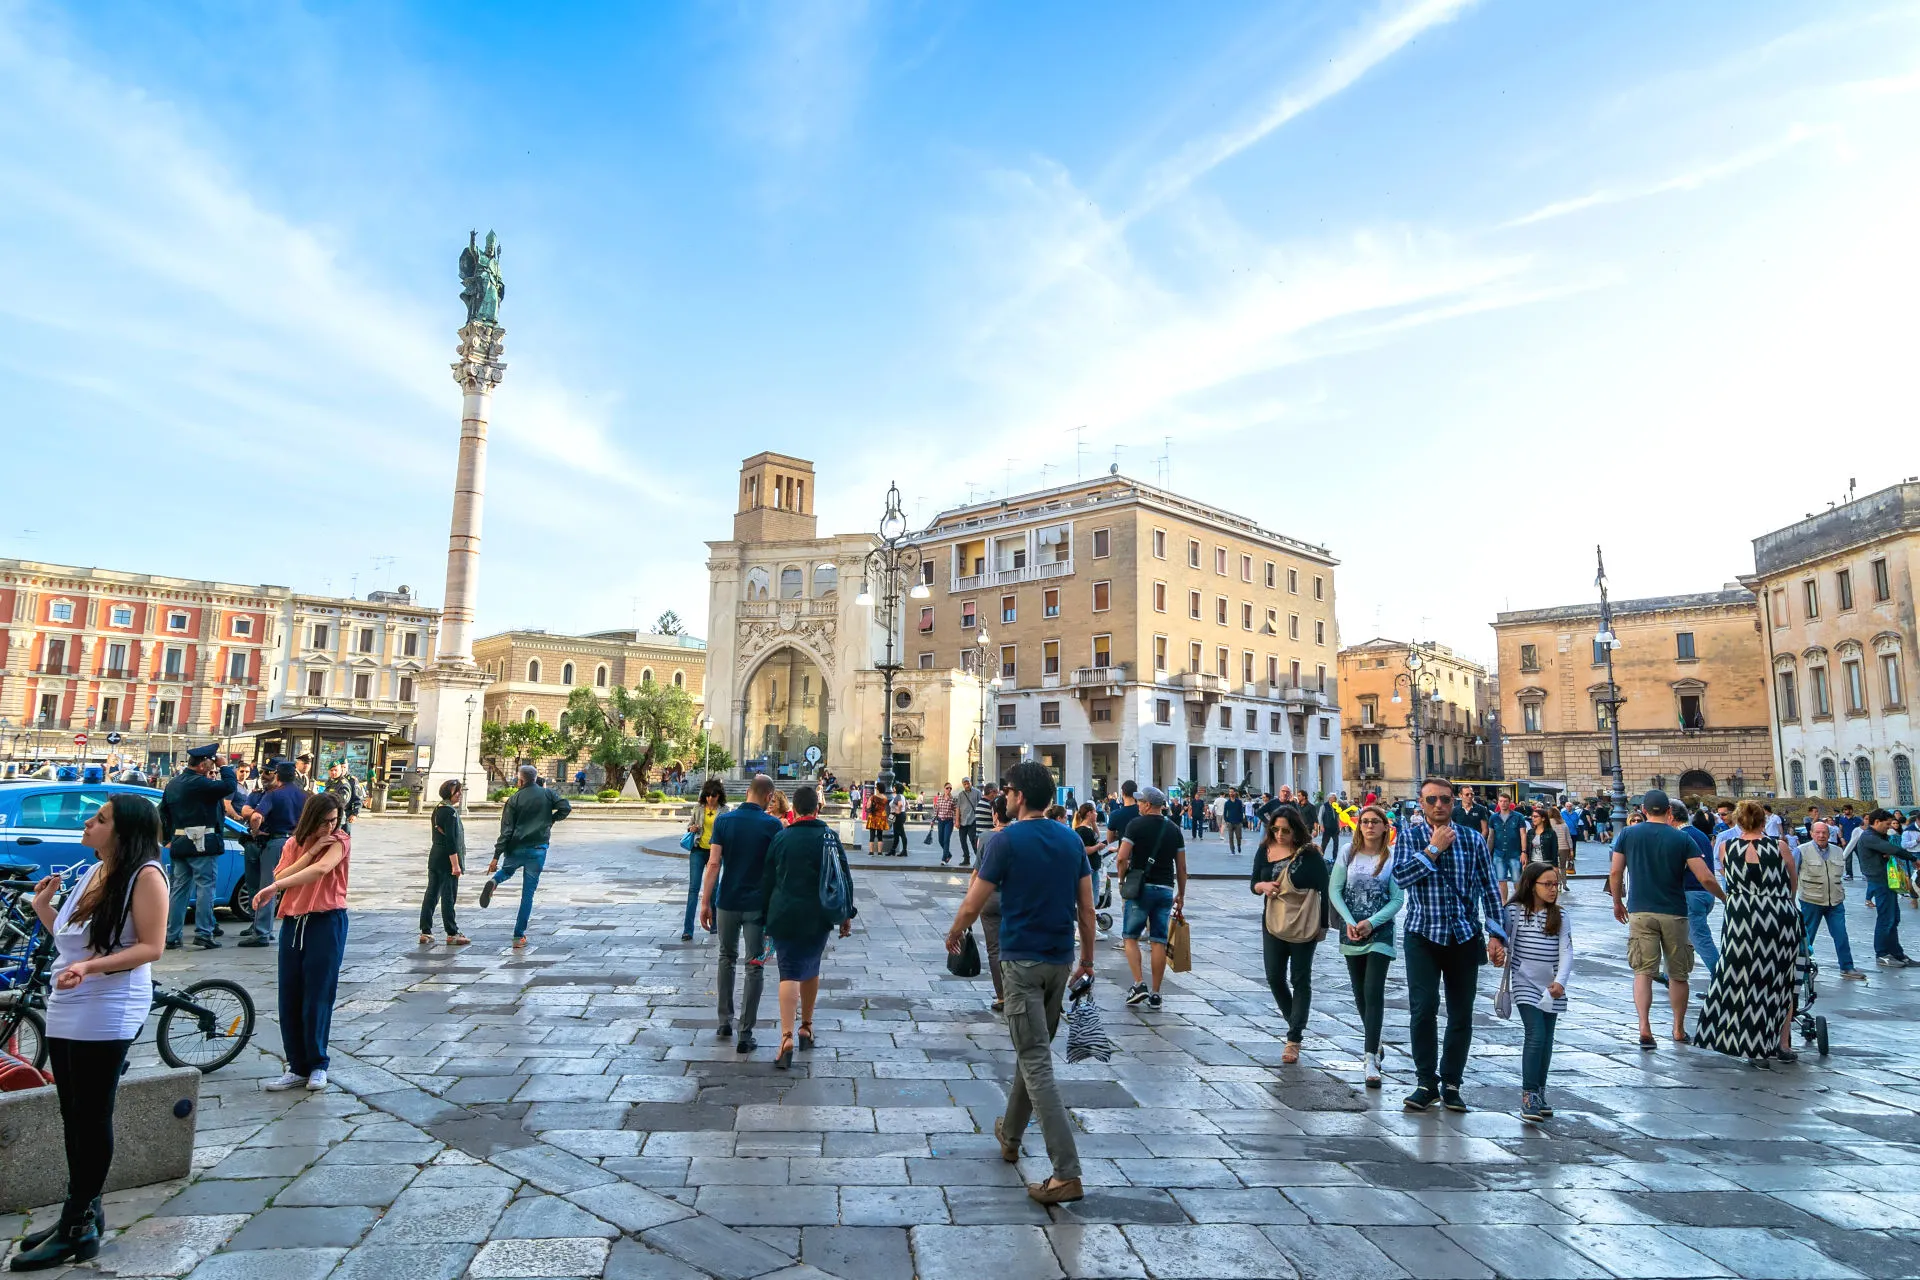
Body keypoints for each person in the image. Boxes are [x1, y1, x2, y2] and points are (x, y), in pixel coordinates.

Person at [11, 795, 168, 1270]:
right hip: (71, 996)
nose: (88, 822)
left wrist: (91, 966)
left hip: (109, 1005)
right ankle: (84, 1212)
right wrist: (43, 908)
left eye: (100, 819)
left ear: (123, 833)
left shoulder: (146, 875)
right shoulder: (95, 869)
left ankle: (77, 1224)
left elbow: (151, 947)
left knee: (92, 1113)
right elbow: (72, 937)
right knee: (71, 1111)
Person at [944, 761, 1096, 1206]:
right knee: (1032, 1054)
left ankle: (1066, 1172)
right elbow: (1086, 910)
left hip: (1021, 965)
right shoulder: (1070, 840)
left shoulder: (1003, 840)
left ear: (1020, 796)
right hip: (1059, 963)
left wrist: (954, 933)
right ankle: (1010, 1135)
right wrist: (1087, 959)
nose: (1003, 797)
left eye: (1007, 790)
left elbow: (974, 903)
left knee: (1036, 1063)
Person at [1391, 777, 1507, 1113]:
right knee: (1423, 1007)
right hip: (1422, 933)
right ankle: (1426, 1082)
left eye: (1444, 799)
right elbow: (1401, 878)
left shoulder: (1472, 839)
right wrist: (1433, 848)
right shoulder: (1410, 837)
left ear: (1453, 802)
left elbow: (1489, 888)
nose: (1438, 805)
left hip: (1463, 935)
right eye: (1431, 800)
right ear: (1420, 803)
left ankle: (1452, 1082)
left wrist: (1496, 934)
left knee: (1461, 1013)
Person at [1608, 789, 1721, 1048]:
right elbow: (1704, 877)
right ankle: (1678, 1029)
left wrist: (1617, 902)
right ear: (1669, 812)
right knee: (1678, 975)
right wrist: (1726, 897)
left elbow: (1615, 872)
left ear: (1644, 811)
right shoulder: (1682, 838)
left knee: (1643, 972)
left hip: (1640, 910)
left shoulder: (1627, 833)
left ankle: (1645, 1028)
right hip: (1675, 912)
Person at [1695, 799, 1803, 1066]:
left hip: (1741, 918)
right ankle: (1783, 1043)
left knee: (1743, 979)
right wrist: (1779, 902)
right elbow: (1792, 884)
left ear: (1738, 821)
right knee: (1781, 979)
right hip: (1778, 916)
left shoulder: (1725, 847)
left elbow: (1724, 876)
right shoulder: (1780, 847)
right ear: (1764, 821)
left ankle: (1752, 1045)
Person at [255, 792, 351, 1091]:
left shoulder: (340, 840)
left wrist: (275, 887)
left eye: (334, 821)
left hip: (326, 921)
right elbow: (281, 872)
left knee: (318, 995)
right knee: (290, 996)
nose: (329, 828)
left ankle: (318, 1064)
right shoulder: (293, 843)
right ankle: (297, 1066)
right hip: (294, 922)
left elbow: (320, 871)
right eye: (323, 822)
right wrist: (309, 851)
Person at [758, 784, 855, 1070]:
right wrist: (846, 914)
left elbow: (767, 880)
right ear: (817, 808)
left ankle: (786, 1036)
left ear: (795, 809)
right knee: (811, 966)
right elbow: (843, 877)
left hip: (784, 912)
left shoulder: (782, 837)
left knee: (788, 971)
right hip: (819, 914)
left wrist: (765, 916)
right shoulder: (829, 837)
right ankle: (806, 1027)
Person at [701, 774, 783, 1054]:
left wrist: (705, 901)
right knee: (755, 965)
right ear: (769, 797)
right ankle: (745, 1034)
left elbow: (713, 865)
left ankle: (724, 1021)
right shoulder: (773, 825)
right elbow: (777, 871)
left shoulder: (724, 821)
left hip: (727, 901)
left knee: (726, 957)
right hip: (757, 905)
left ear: (747, 792)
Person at [1330, 804, 1404, 1087]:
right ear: (1358, 825)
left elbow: (1397, 899)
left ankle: (1370, 1056)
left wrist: (1372, 922)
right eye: (1364, 822)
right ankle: (1376, 1038)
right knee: (1359, 991)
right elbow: (1334, 889)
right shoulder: (1347, 852)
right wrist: (1349, 921)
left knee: (1373, 990)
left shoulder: (1391, 857)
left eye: (1375, 822)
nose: (1369, 826)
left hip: (1380, 932)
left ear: (1386, 827)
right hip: (1351, 929)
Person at [1252, 805, 1328, 1064]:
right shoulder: (1265, 850)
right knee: (1274, 976)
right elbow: (1254, 883)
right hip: (1273, 920)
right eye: (1275, 829)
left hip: (1305, 921)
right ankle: (1294, 1021)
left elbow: (1324, 890)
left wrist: (1324, 926)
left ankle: (1294, 1037)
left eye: (1285, 830)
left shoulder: (1310, 855)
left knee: (1300, 978)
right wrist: (1262, 886)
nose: (1280, 834)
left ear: (1296, 830)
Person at [1504, 862, 1572, 1124]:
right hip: (1524, 982)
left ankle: (1541, 1091)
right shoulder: (1514, 912)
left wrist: (1561, 981)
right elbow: (1503, 938)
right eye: (1548, 884)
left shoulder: (1561, 916)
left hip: (1551, 985)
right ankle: (1529, 1094)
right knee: (1536, 1034)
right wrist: (1496, 948)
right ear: (1532, 885)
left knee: (1547, 1039)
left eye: (1556, 884)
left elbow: (1567, 951)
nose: (1553, 889)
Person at [482, 765, 573, 949]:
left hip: (516, 847)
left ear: (521, 780)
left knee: (506, 871)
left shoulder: (514, 799)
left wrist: (495, 857)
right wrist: (550, 820)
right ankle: (518, 936)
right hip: (538, 849)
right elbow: (565, 807)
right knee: (527, 894)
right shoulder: (547, 794)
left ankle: (495, 881)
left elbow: (505, 830)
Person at [158, 743, 238, 951]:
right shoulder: (201, 784)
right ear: (203, 764)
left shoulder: (173, 783)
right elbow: (229, 786)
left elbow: (162, 812)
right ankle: (204, 932)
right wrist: (225, 767)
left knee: (178, 890)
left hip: (179, 842)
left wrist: (167, 837)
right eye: (210, 763)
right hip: (202, 843)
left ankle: (172, 935)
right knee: (205, 888)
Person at [1115, 786, 1187, 1011]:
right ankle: (1156, 994)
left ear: (1147, 805)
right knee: (1158, 940)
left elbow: (1121, 858)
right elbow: (1182, 866)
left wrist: (1121, 881)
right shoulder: (1174, 829)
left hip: (1140, 888)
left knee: (1130, 936)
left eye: (1140, 802)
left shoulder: (1135, 825)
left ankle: (1138, 984)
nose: (1138, 805)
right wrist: (1181, 894)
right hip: (1165, 888)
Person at [237, 762, 305, 949]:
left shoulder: (274, 794)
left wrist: (255, 831)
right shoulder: (303, 794)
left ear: (279, 776)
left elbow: (256, 817)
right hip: (295, 841)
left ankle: (261, 932)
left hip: (275, 842)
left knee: (267, 886)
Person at [1798, 821, 1864, 979]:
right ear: (1812, 834)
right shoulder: (1801, 851)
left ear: (1829, 834)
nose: (1821, 836)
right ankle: (1800, 968)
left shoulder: (1837, 850)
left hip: (1835, 900)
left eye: (1824, 833)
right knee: (1807, 937)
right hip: (1810, 900)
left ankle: (1847, 967)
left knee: (1841, 934)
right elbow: (1792, 874)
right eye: (1818, 832)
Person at [1854, 808, 1912, 967]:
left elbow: (1887, 850)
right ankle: (1882, 954)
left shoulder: (1878, 836)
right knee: (1886, 919)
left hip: (1887, 881)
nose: (1890, 827)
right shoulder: (1869, 837)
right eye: (1887, 824)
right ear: (1877, 822)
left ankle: (1896, 953)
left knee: (1893, 918)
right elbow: (1893, 849)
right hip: (1880, 881)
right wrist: (1913, 858)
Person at [419, 779, 470, 946]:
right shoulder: (450, 812)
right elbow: (451, 840)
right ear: (450, 793)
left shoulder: (438, 809)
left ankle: (425, 931)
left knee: (432, 894)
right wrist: (456, 865)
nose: (460, 794)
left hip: (435, 857)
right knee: (449, 896)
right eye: (457, 792)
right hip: (447, 859)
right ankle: (452, 932)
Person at [1673, 802, 1719, 980]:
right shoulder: (1699, 834)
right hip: (1705, 894)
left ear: (1670, 815)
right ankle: (1671, 975)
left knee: (1701, 939)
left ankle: (1722, 980)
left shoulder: (1681, 836)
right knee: (1681, 938)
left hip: (1692, 893)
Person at [975, 792, 1013, 1011]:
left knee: (994, 949)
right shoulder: (1019, 835)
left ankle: (1002, 996)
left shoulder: (986, 837)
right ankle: (1016, 991)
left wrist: (970, 902)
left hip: (989, 899)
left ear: (995, 814)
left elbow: (977, 873)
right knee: (1015, 946)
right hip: (1015, 897)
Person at [681, 778, 726, 941]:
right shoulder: (698, 808)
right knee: (693, 889)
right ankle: (688, 929)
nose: (710, 799)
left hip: (716, 851)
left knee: (714, 888)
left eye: (713, 796)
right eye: (707, 796)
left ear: (719, 796)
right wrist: (691, 828)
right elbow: (690, 824)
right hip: (698, 849)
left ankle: (714, 925)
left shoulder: (725, 810)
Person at [1488, 796, 1528, 894]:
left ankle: (1518, 902)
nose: (1503, 803)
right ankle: (1504, 904)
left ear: (1510, 802)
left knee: (1517, 880)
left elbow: (1523, 834)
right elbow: (1491, 836)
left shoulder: (1518, 817)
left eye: (1505, 801)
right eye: (1501, 801)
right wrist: (1487, 853)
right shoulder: (1494, 817)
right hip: (1499, 853)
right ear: (1498, 802)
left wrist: (1524, 852)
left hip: (1515, 853)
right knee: (1501, 880)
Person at [324, 763, 363, 831]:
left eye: (336, 770)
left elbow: (355, 798)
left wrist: (355, 813)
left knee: (342, 837)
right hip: (330, 815)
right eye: (331, 770)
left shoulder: (346, 782)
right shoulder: (330, 781)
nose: (333, 772)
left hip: (343, 813)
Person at [955, 777, 982, 867]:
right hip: (962, 821)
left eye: (968, 783)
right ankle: (966, 859)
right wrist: (957, 821)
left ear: (971, 782)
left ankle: (979, 861)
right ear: (963, 784)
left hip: (973, 821)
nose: (966, 785)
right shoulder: (961, 794)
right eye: (965, 784)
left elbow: (980, 805)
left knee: (973, 841)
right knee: (962, 841)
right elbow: (958, 808)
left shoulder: (977, 792)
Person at [1836, 804, 1864, 879]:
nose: (1845, 811)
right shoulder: (1842, 819)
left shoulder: (1857, 819)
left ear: (1851, 810)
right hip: (1847, 841)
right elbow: (1840, 830)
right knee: (1848, 858)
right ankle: (1849, 874)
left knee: (1861, 857)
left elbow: (1861, 829)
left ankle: (1864, 873)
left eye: (1846, 809)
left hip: (1857, 842)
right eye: (1844, 810)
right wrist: (1841, 839)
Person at [1315, 792, 1343, 860]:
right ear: (1330, 798)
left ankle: (1334, 858)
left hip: (1335, 828)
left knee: (1336, 844)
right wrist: (1321, 826)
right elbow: (1320, 817)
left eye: (1335, 798)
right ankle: (1320, 857)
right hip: (1327, 828)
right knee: (1324, 844)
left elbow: (1338, 817)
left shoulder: (1336, 806)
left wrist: (1339, 826)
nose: (1335, 799)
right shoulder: (1324, 806)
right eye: (1334, 797)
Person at [933, 784, 957, 863]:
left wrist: (956, 820)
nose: (949, 789)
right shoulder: (939, 798)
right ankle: (948, 854)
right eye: (947, 788)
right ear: (944, 789)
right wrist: (933, 820)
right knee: (940, 840)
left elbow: (955, 810)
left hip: (949, 821)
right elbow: (936, 809)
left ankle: (944, 858)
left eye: (950, 788)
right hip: (940, 821)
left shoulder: (953, 799)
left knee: (946, 840)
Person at [864, 784, 890, 854]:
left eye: (876, 787)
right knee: (880, 835)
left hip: (873, 816)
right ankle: (879, 852)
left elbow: (868, 806)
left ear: (878, 789)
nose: (875, 788)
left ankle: (871, 851)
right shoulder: (885, 798)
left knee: (872, 835)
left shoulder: (873, 797)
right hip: (881, 817)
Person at [1223, 789, 1246, 855]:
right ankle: (1232, 850)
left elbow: (1241, 812)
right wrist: (1226, 820)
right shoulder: (1227, 803)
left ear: (1235, 793)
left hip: (1238, 822)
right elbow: (1225, 813)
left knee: (1239, 837)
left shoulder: (1239, 802)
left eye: (1232, 792)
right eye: (1230, 792)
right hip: (1230, 822)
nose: (1231, 793)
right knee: (1230, 837)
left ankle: (1239, 845)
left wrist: (1241, 821)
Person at [889, 785, 909, 856]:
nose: (893, 788)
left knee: (901, 833)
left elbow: (900, 805)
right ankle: (893, 850)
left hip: (898, 816)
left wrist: (899, 811)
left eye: (894, 787)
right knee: (896, 833)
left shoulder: (898, 796)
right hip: (899, 815)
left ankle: (904, 851)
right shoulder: (902, 796)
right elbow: (906, 805)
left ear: (897, 789)